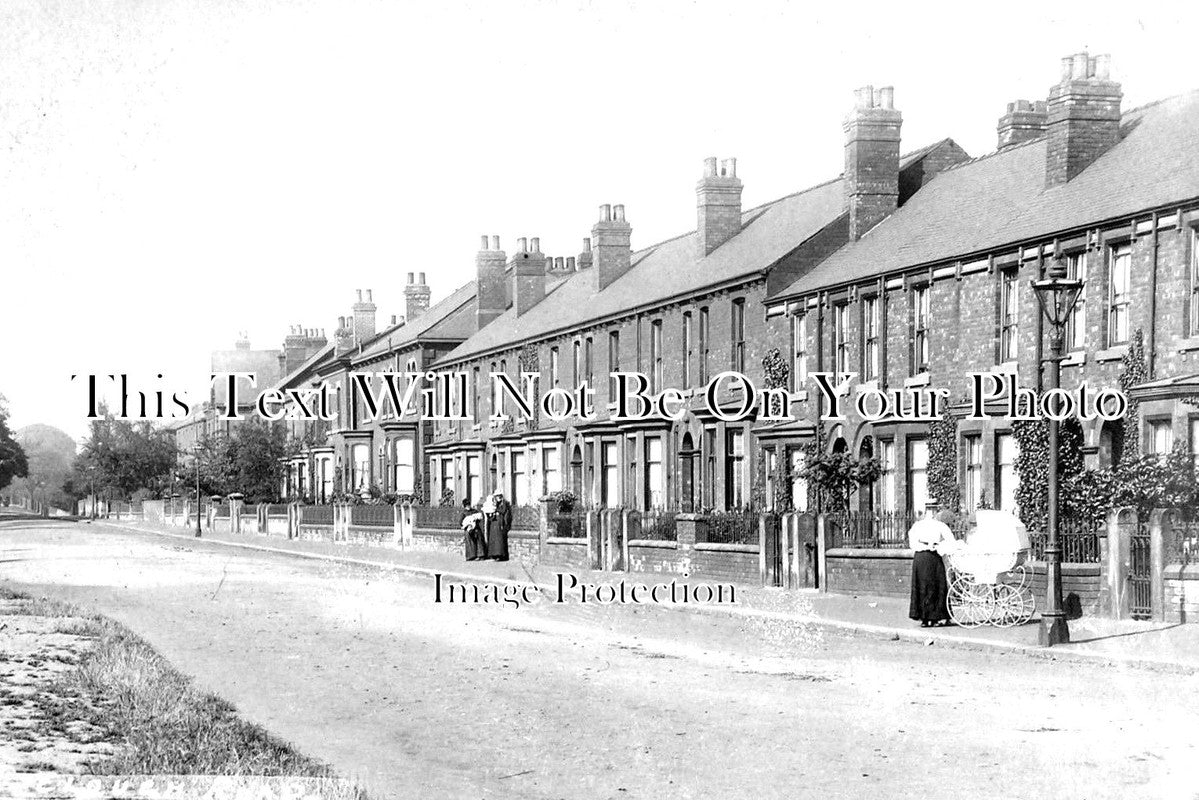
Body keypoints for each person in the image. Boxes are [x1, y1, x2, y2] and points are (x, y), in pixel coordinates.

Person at [907, 507, 955, 627]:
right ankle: (928, 617)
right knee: (928, 586)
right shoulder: (923, 526)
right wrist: (932, 546)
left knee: (931, 586)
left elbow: (950, 541)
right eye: (931, 510)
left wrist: (938, 547)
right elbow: (913, 542)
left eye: (932, 510)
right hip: (926, 556)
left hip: (929, 556)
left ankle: (930, 618)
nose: (932, 513)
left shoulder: (934, 525)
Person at [482, 491, 512, 561]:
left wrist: (496, 509)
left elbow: (503, 511)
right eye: (496, 496)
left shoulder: (504, 503)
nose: (498, 497)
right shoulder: (496, 503)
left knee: (499, 540)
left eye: (499, 496)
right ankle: (493, 554)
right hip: (494, 522)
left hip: (500, 522)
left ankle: (500, 555)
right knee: (493, 539)